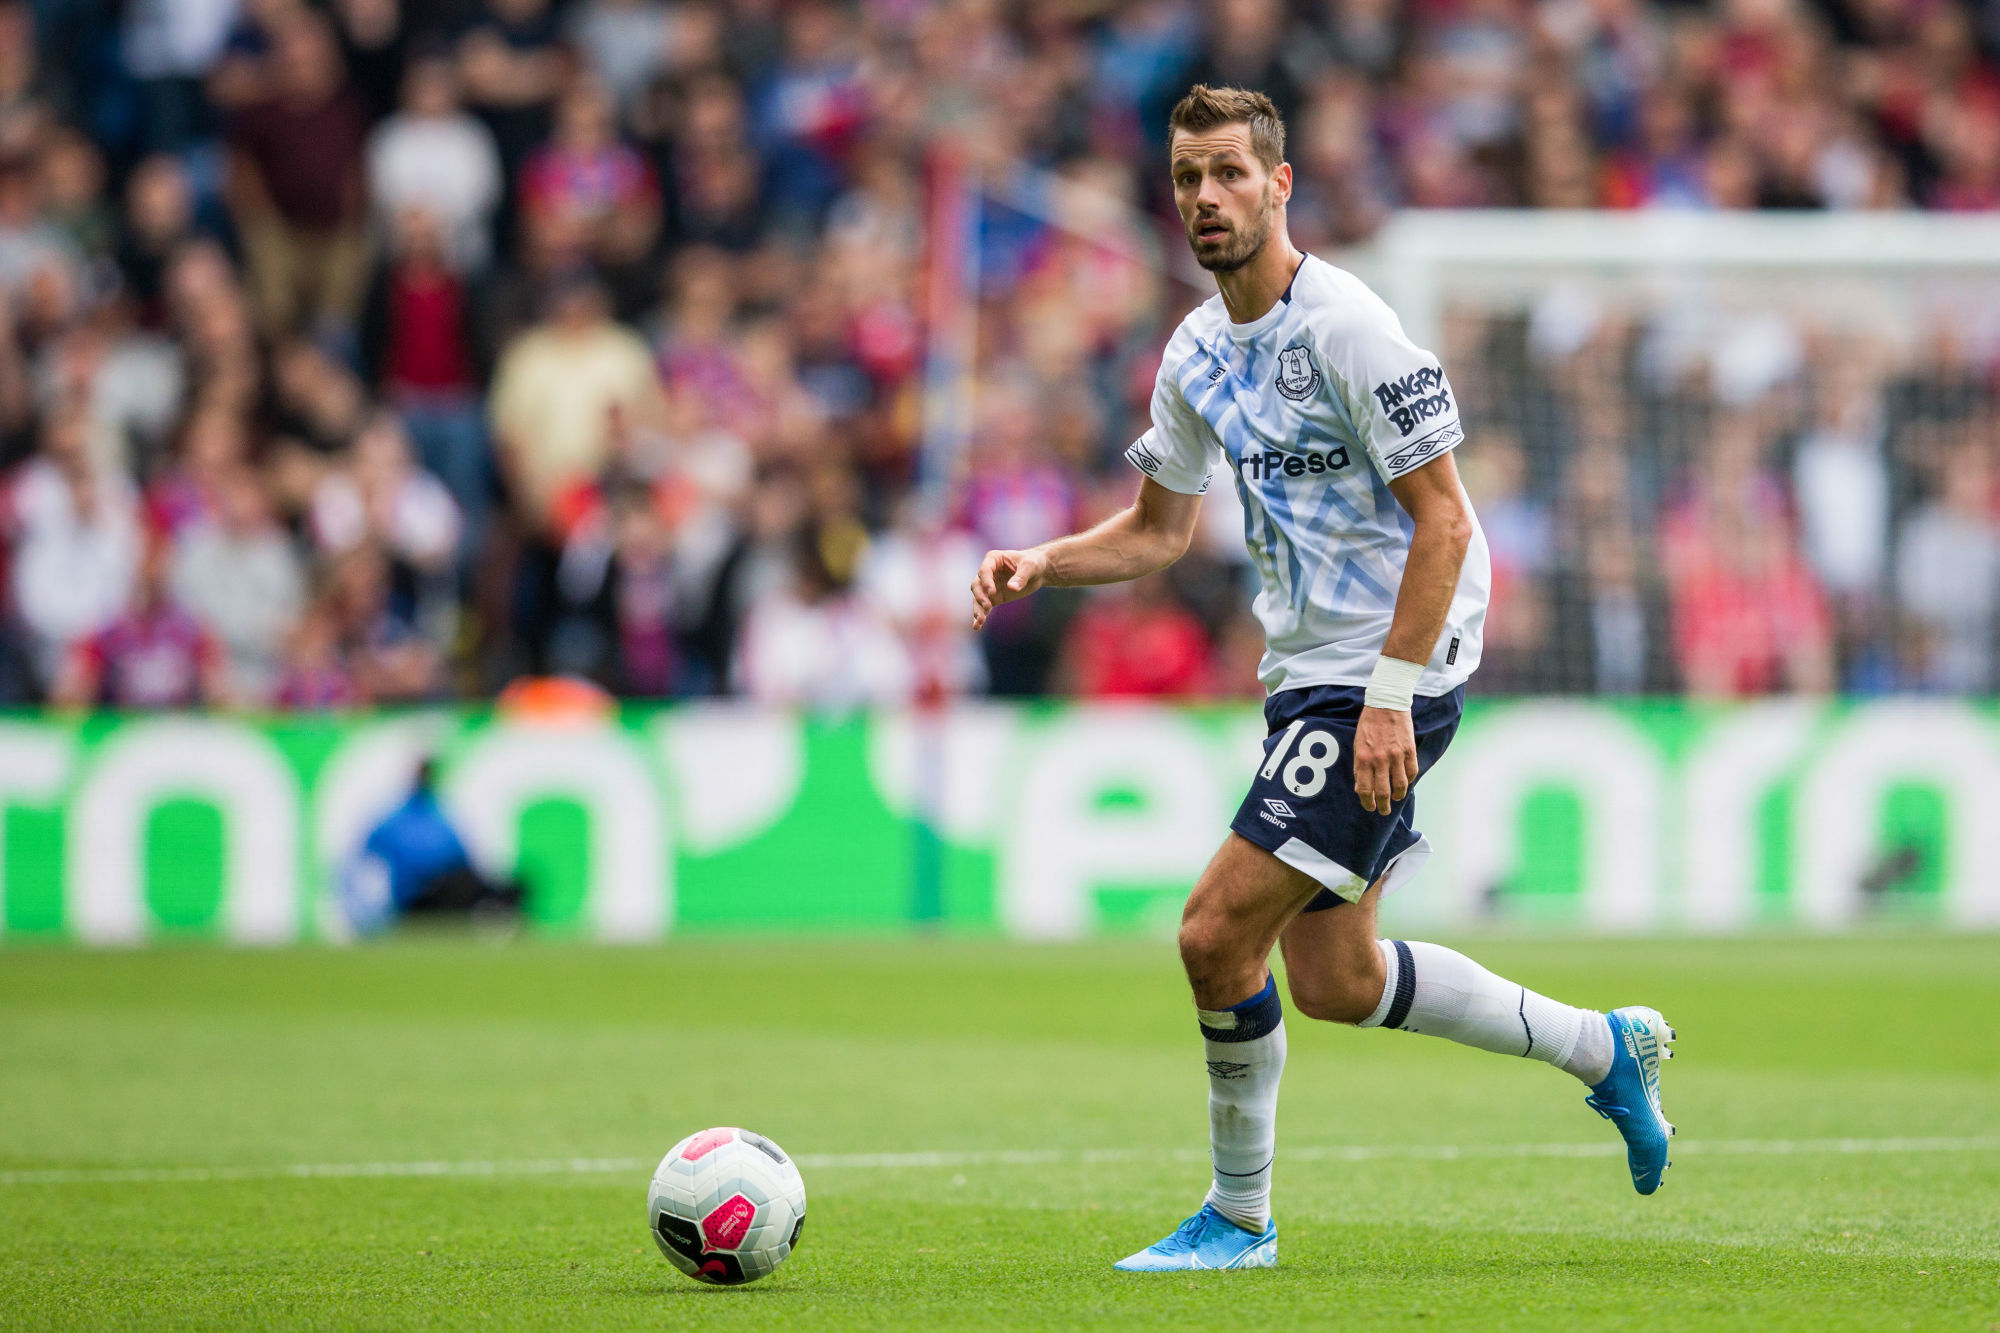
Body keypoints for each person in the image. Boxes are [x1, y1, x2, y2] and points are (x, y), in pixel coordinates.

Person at [969, 85, 1676, 1274]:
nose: (1205, 197)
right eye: (1188, 176)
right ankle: (1601, 1051)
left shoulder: (1349, 327)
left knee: (1209, 934)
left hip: (1392, 664)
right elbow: (1157, 529)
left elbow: (1443, 522)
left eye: (1229, 174)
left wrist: (1391, 694)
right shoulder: (1195, 351)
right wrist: (1046, 559)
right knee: (1338, 979)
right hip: (1308, 671)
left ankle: (1237, 1219)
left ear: (1278, 184)